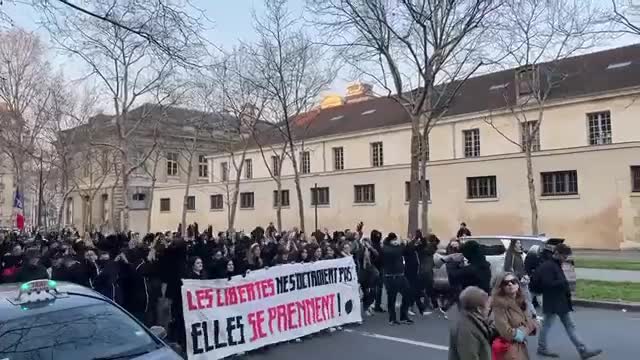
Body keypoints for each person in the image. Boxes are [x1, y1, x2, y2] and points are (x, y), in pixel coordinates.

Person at [535, 243, 602, 359]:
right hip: (554, 302)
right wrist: (563, 283)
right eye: (564, 256)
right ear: (557, 253)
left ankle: (582, 350)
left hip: (559, 301)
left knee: (565, 325)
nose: (566, 259)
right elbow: (547, 284)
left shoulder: (555, 264)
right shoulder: (549, 266)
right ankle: (543, 348)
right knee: (551, 325)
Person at [491, 272, 538, 360]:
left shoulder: (521, 301)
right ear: (501, 287)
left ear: (518, 284)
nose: (510, 284)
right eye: (506, 283)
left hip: (520, 347)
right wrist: (527, 329)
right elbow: (506, 332)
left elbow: (531, 321)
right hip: (508, 350)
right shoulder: (499, 305)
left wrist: (527, 327)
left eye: (513, 281)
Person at [448, 286, 492, 360]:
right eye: (487, 305)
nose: (489, 308)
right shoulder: (466, 330)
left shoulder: (472, 320)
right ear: (479, 309)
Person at [382, 233, 412, 325]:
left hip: (401, 276)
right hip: (390, 277)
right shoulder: (386, 248)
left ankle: (404, 316)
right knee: (392, 298)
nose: (396, 242)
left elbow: (407, 251)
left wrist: (410, 243)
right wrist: (402, 244)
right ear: (391, 240)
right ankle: (392, 319)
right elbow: (396, 252)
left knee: (408, 294)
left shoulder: (397, 247)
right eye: (394, 240)